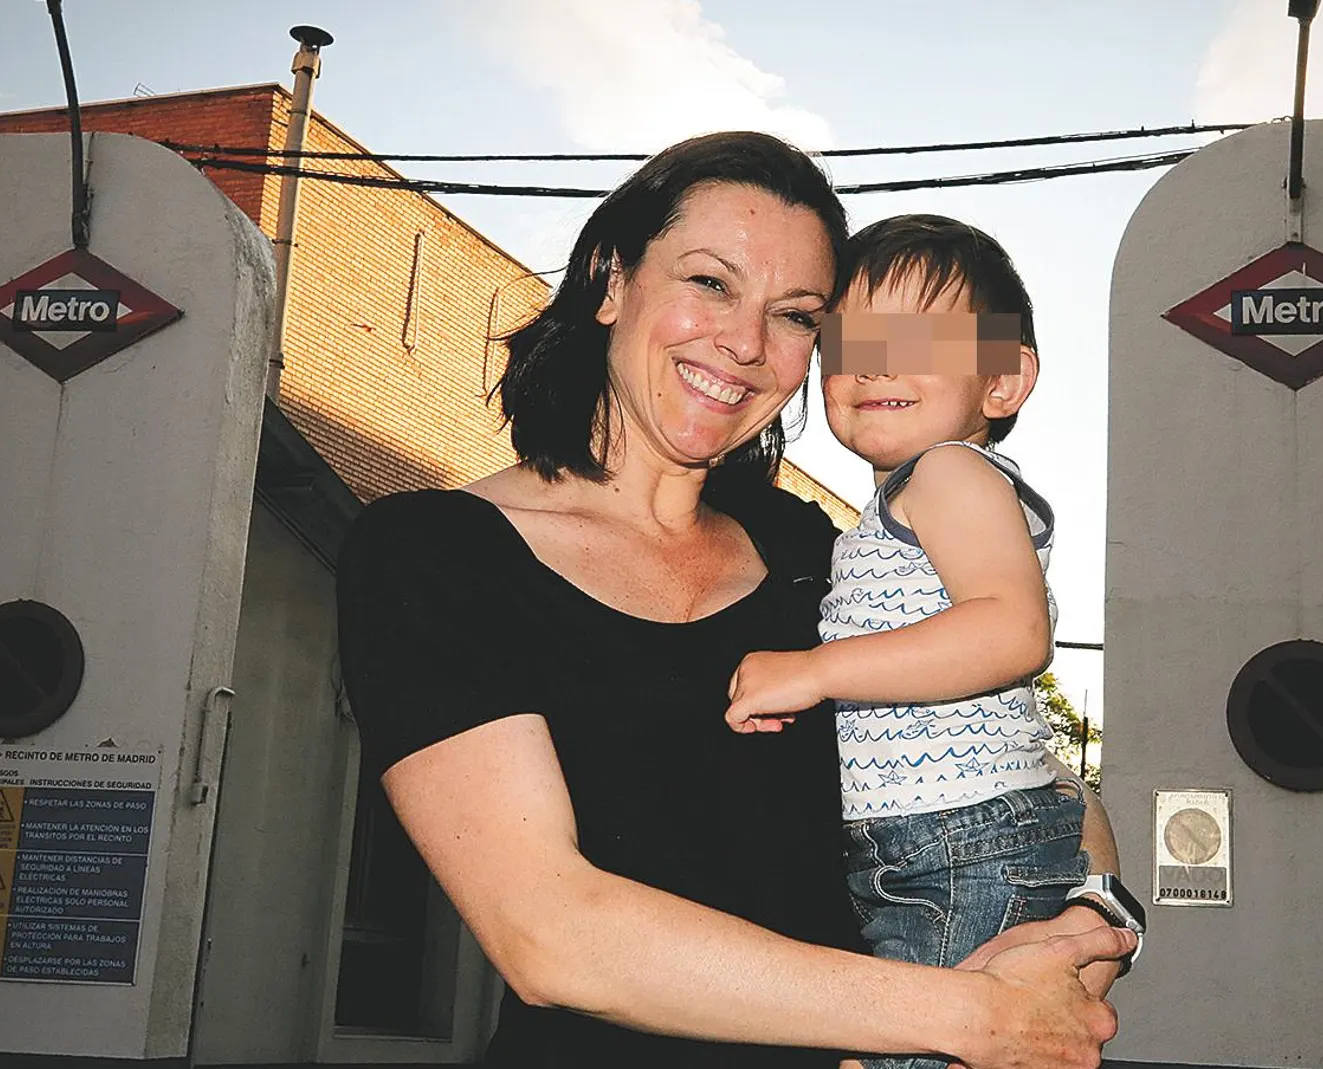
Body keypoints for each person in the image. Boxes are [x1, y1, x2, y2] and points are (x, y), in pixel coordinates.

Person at [335, 131, 1134, 1069]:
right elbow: (549, 931)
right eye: (710, 283)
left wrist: (1091, 928)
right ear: (609, 281)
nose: (747, 343)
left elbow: (1027, 767)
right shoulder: (432, 554)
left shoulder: (813, 553)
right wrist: (969, 1016)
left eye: (797, 315)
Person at [723, 215, 1126, 1069]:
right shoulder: (896, 507)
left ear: (1004, 380)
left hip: (963, 840)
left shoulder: (949, 473)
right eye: (846, 342)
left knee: (952, 1039)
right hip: (932, 842)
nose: (871, 362)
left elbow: (1014, 630)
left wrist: (816, 671)